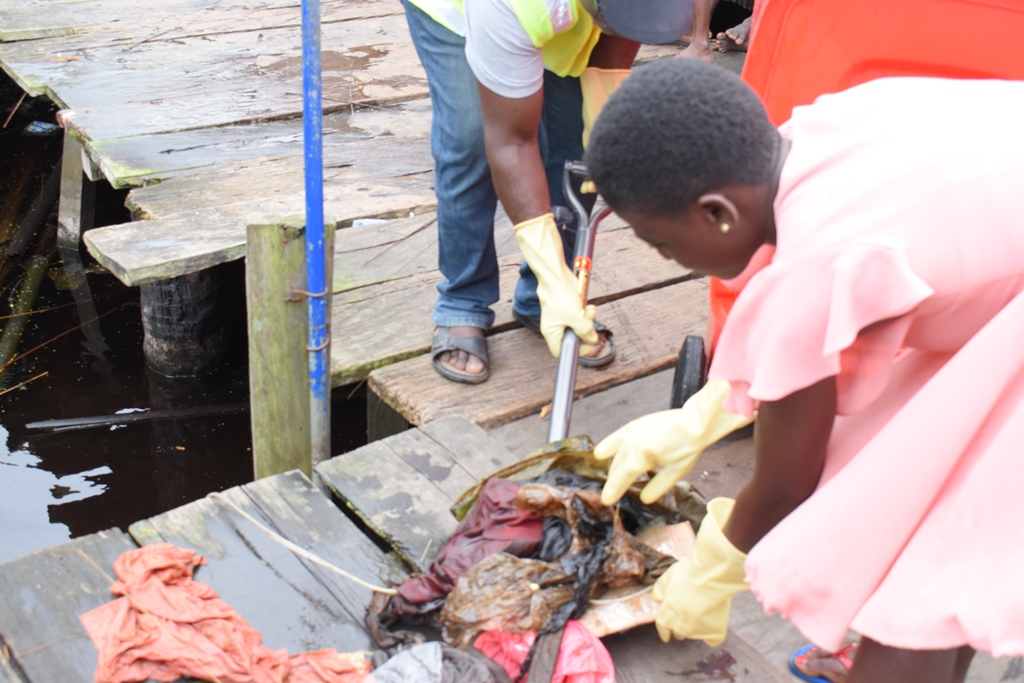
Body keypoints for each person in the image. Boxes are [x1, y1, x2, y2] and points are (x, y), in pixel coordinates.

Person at [585, 57, 1024, 683]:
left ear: (716, 214)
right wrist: (706, 413)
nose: (674, 260)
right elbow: (840, 301)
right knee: (911, 507)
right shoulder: (819, 129)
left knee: (918, 575)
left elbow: (788, 482)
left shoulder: (815, 267)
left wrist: (711, 573)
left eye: (663, 244)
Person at [401, 0, 693, 384]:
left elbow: (619, 39)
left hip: (567, 14)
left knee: (575, 143)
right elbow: (512, 142)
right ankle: (463, 301)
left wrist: (600, 116)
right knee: (472, 138)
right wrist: (553, 272)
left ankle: (546, 299)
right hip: (465, 11)